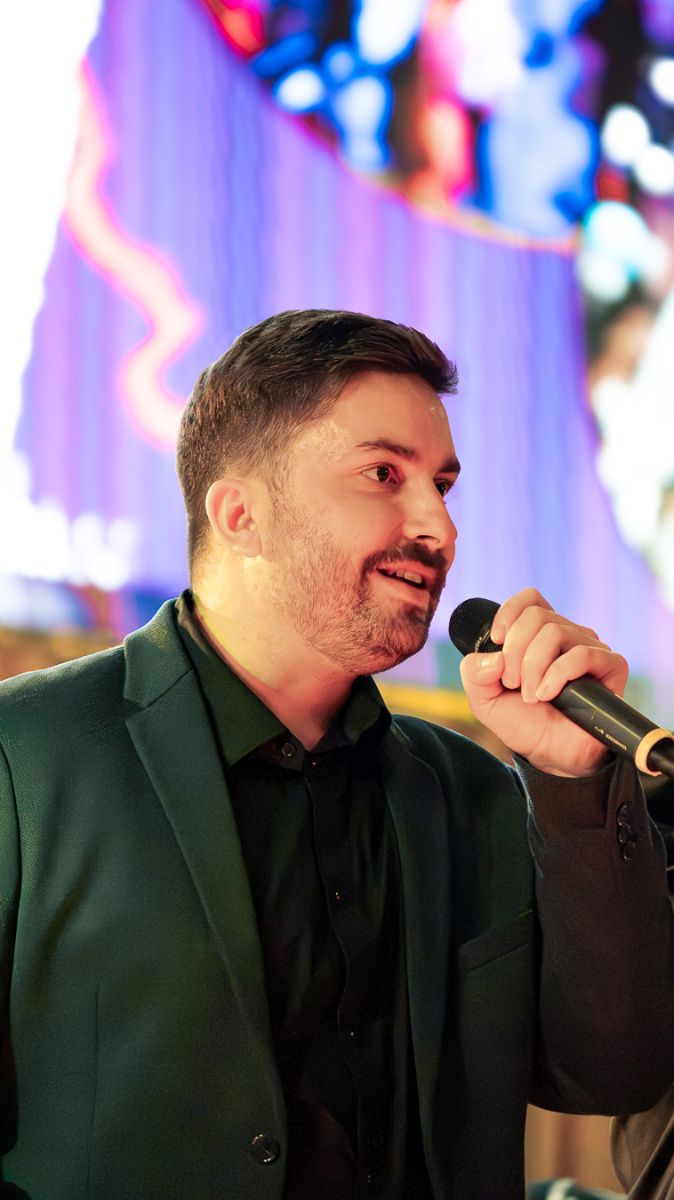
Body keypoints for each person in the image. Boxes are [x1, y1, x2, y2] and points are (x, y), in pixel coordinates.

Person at [0, 309, 673, 1200]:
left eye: (443, 485)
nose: (439, 526)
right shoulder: (25, 754)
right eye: (384, 474)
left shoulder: (472, 792)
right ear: (240, 514)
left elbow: (611, 1074)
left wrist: (570, 781)